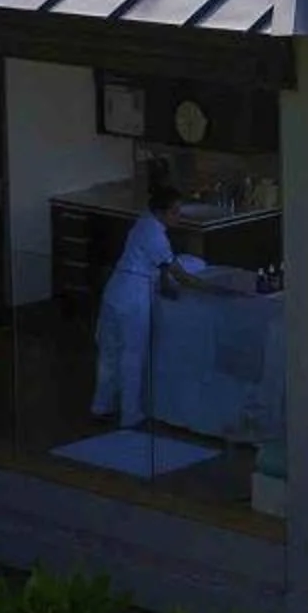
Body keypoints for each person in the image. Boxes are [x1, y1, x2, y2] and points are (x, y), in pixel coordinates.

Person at [90, 174, 188, 428]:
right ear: (162, 212)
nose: (179, 217)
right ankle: (130, 413)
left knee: (108, 351)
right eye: (175, 212)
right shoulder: (157, 236)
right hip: (133, 295)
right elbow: (176, 272)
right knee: (132, 353)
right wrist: (211, 287)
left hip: (114, 290)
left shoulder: (142, 223)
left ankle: (101, 405)